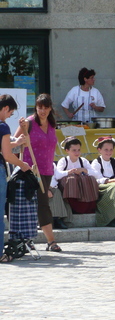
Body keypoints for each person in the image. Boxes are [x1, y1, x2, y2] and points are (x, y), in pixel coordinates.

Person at [15, 94, 63, 251]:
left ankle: (40, 241)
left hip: (47, 170)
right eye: (39, 107)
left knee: (42, 204)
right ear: (36, 107)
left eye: (45, 107)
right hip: (30, 170)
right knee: (33, 205)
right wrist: (18, 165)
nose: (42, 110)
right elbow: (13, 145)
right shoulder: (28, 123)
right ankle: (50, 241)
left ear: (50, 108)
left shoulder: (51, 124)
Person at [0, 95, 32, 263]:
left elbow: (3, 145)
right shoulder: (3, 126)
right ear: (5, 108)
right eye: (10, 112)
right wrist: (23, 164)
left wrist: (16, 142)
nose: (9, 116)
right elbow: (6, 155)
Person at [53, 137, 100, 214]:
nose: (77, 152)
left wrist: (83, 170)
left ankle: (88, 207)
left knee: (90, 179)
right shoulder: (63, 161)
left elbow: (96, 174)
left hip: (82, 186)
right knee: (72, 179)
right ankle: (73, 207)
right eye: (74, 150)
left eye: (78, 150)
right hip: (68, 187)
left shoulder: (83, 161)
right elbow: (57, 175)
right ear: (67, 151)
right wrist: (68, 172)